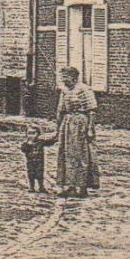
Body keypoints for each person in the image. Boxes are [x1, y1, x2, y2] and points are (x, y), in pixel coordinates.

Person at [54, 66, 100, 197]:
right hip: (67, 123)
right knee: (66, 154)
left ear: (73, 77)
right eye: (62, 77)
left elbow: (92, 110)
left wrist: (90, 128)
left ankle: (83, 186)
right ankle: (70, 185)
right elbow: (60, 109)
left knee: (81, 154)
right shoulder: (64, 91)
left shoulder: (84, 89)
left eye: (65, 77)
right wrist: (58, 128)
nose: (63, 80)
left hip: (81, 123)